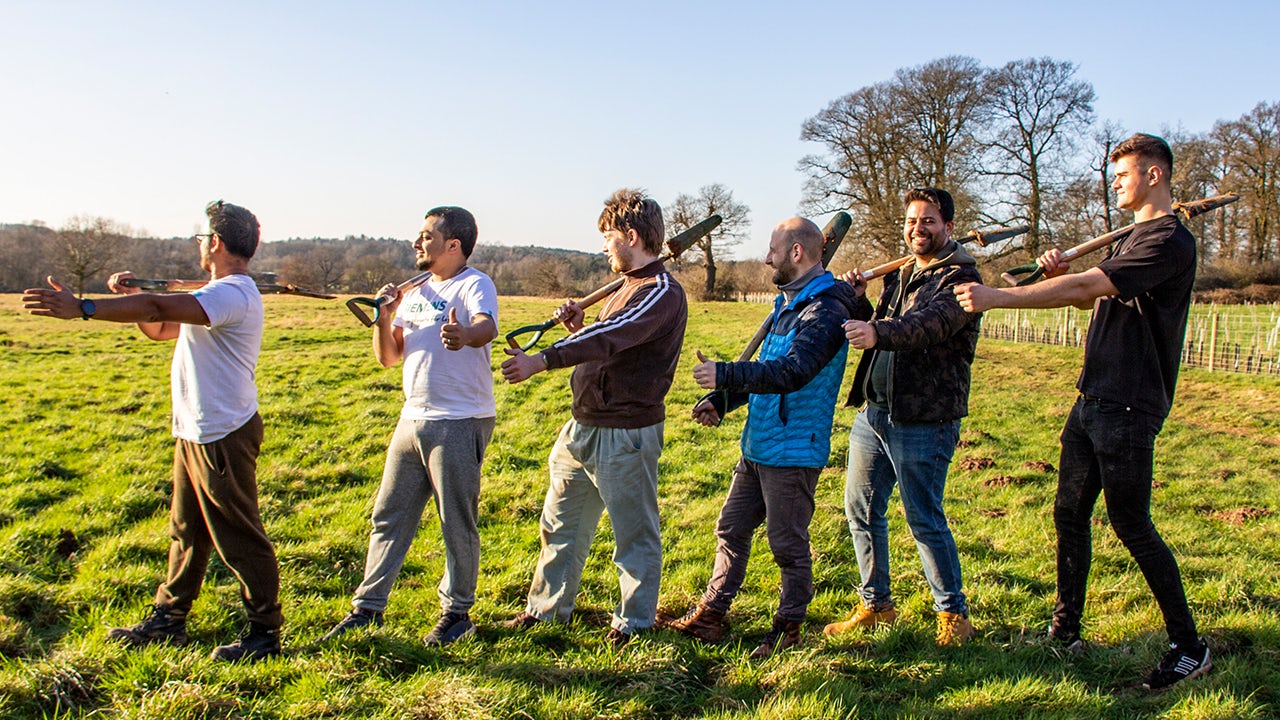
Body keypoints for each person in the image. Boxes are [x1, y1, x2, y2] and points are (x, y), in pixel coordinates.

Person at [954, 133, 1211, 690]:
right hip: (1092, 396)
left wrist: (1000, 298)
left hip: (1130, 401)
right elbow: (1085, 294)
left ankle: (1190, 647)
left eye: (1123, 173)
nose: (1115, 182)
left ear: (1154, 175)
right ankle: (1065, 631)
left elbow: (1094, 282)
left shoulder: (1167, 239)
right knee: (1069, 515)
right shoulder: (1132, 237)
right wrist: (1051, 278)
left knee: (1131, 524)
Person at [22, 200, 283, 662]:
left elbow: (159, 304)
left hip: (223, 432)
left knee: (239, 535)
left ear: (216, 243)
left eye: (203, 238)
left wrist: (83, 307)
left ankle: (263, 633)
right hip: (195, 430)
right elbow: (161, 325)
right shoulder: (216, 292)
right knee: (187, 530)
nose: (200, 245)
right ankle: (169, 619)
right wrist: (135, 293)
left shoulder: (232, 294)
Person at [661, 217, 866, 658]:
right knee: (731, 529)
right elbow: (769, 371)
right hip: (759, 445)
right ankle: (712, 615)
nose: (766, 257)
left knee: (787, 544)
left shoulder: (827, 310)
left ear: (796, 253)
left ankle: (789, 629)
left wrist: (725, 372)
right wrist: (724, 399)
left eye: (772, 248)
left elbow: (792, 372)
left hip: (794, 450)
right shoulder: (788, 304)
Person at [499, 188, 687, 647]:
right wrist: (577, 330)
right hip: (582, 427)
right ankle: (546, 612)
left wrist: (542, 359)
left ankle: (634, 623)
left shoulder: (661, 292)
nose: (604, 247)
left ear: (631, 235)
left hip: (626, 435)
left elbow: (612, 338)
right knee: (560, 525)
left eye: (608, 237)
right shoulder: (625, 288)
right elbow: (607, 344)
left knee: (633, 535)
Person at [320, 206, 498, 647]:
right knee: (388, 515)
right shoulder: (414, 290)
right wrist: (384, 316)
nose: (416, 243)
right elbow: (389, 356)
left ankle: (457, 614)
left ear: (452, 244)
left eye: (426, 236)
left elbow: (486, 326)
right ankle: (368, 608)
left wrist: (464, 337)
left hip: (459, 419)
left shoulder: (474, 284)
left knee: (455, 520)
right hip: (412, 417)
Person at [824, 188, 981, 647]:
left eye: (928, 221)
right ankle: (876, 605)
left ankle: (953, 615)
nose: (918, 228)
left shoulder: (960, 279)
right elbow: (885, 320)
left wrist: (875, 331)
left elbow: (927, 327)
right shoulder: (901, 273)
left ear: (948, 227)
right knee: (861, 510)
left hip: (925, 418)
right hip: (875, 414)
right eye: (912, 221)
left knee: (924, 518)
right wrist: (858, 302)